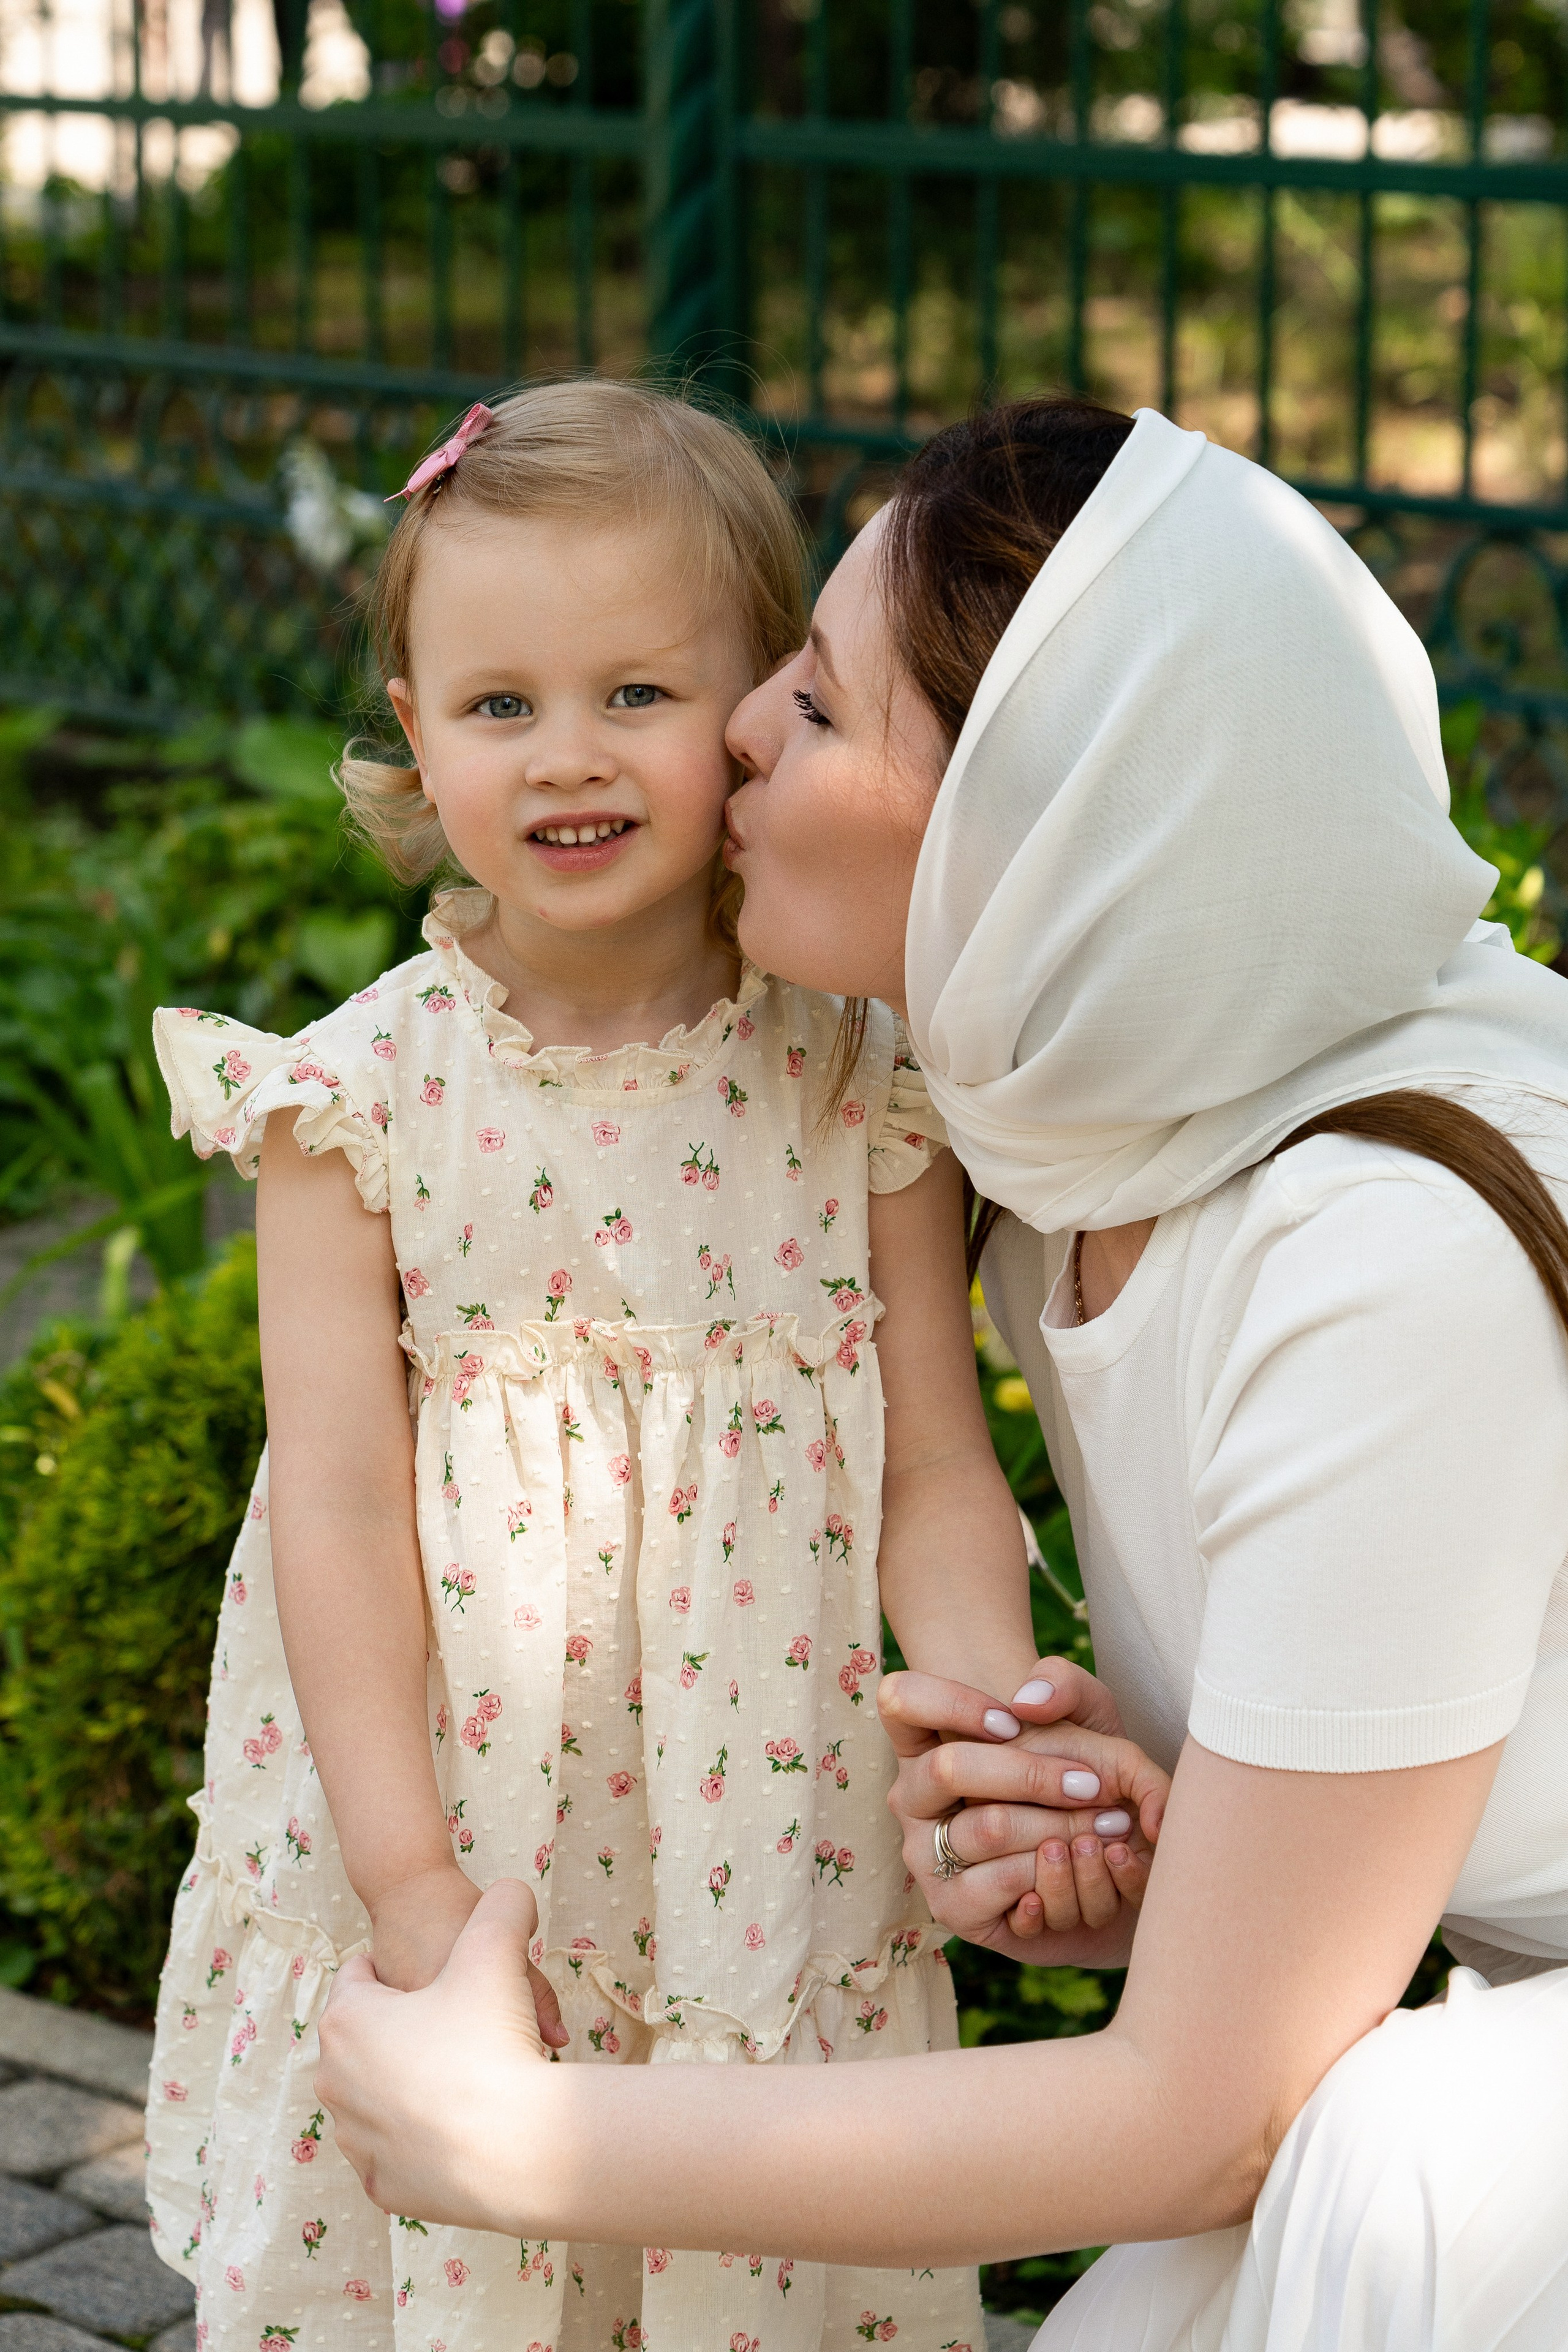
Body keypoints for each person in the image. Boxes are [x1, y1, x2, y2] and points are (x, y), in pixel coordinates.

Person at [313, 395, 1568, 2352]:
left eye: (813, 706)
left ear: (1035, 824)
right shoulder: (1067, 1153)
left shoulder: (1393, 1260)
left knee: (1387, 2184)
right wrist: (1160, 1866)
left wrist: (521, 2143)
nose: (733, 729)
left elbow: (1214, 2115)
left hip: (1472, 2100)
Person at [141, 380, 1167, 2352]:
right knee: (475, 2259)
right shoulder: (353, 1107)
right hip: (465, 1818)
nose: (566, 755)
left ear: (760, 712)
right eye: (497, 704)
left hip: (751, 1816)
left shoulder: (851, 1076)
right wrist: (410, 1882)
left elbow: (936, 1466)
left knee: (744, 2231)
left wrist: (985, 1728)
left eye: (637, 693)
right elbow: (338, 1518)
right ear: (415, 736)